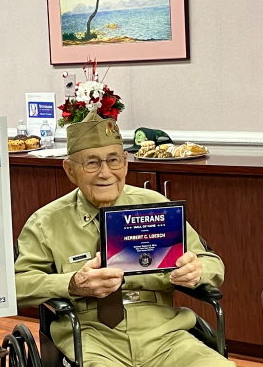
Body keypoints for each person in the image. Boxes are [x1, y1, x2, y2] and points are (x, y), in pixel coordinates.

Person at [14, 110, 233, 367]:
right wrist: (71, 284)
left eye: (113, 160)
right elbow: (18, 286)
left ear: (126, 163)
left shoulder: (156, 207)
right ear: (70, 170)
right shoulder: (45, 222)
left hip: (165, 334)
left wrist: (197, 271)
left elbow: (212, 262)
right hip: (90, 336)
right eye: (92, 163)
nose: (105, 173)